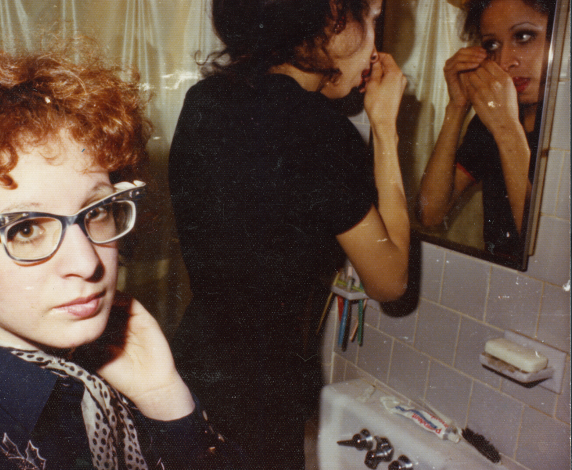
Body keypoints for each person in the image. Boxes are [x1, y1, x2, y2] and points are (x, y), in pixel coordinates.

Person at [0, 35, 242, 470]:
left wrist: (164, 398)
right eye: (25, 229)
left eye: (97, 211)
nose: (88, 263)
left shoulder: (115, 388)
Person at [168, 0, 409, 467]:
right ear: (334, 14)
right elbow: (390, 280)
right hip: (261, 392)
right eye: (372, 18)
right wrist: (384, 128)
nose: (374, 43)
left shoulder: (204, 100)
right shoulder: (322, 129)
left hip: (190, 366)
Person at [418, 0, 553, 259]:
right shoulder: (488, 123)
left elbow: (544, 253)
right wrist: (457, 106)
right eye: (492, 45)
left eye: (524, 37)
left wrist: (506, 130)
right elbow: (430, 214)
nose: (504, 61)